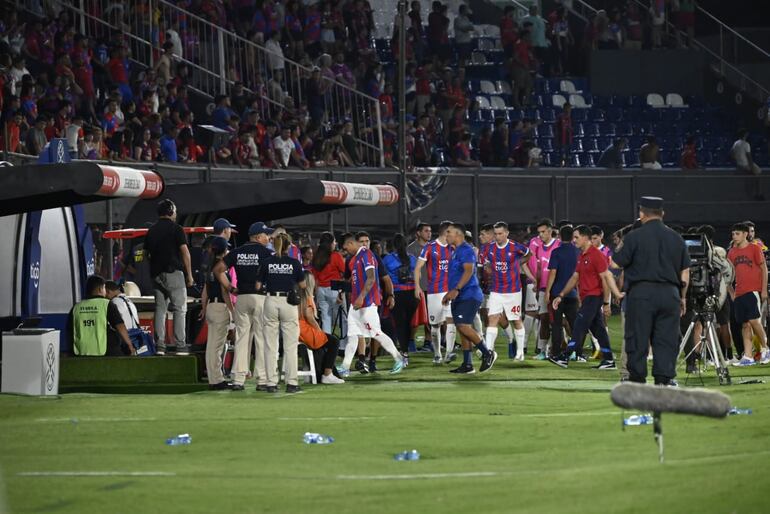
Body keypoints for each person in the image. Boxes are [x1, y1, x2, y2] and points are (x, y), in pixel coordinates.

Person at [612, 196, 691, 385]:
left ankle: (637, 379)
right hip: (670, 293)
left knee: (638, 338)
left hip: (641, 294)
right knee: (666, 339)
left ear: (641, 214)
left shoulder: (633, 236)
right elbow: (685, 273)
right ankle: (664, 380)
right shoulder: (676, 238)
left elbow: (615, 263)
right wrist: (682, 297)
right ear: (662, 214)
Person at [550, 225, 624, 369]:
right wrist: (561, 295)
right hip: (587, 297)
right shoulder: (582, 255)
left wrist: (606, 303)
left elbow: (606, 278)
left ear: (585, 237)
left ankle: (565, 356)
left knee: (579, 324)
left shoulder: (597, 255)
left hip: (594, 297)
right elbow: (575, 277)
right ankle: (609, 360)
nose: (574, 240)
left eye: (577, 237)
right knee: (598, 330)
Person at [216, 221, 275, 391]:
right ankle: (262, 380)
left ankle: (238, 379)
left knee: (241, 338)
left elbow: (218, 270)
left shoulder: (237, 252)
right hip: (261, 298)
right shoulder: (267, 253)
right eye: (266, 235)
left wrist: (230, 288)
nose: (268, 237)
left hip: (241, 298)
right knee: (261, 338)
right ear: (258, 236)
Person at [338, 232, 405, 375]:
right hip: (356, 304)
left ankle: (399, 358)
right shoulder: (352, 260)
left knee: (376, 333)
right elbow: (355, 280)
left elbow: (371, 278)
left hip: (367, 303)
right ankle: (345, 366)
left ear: (350, 244)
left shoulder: (366, 255)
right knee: (353, 335)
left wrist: (361, 297)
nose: (345, 251)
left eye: (345, 248)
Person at [442, 222, 498, 374]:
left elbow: (468, 271)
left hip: (469, 294)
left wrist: (456, 289)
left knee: (463, 326)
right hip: (460, 295)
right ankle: (467, 365)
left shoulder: (465, 250)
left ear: (458, 235)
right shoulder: (455, 251)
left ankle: (487, 353)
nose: (446, 235)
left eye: (449, 232)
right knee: (463, 329)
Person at [256, 233, 307, 393]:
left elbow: (258, 286)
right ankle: (292, 383)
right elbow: (304, 285)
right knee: (290, 345)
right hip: (288, 302)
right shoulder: (294, 263)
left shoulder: (266, 262)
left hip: (271, 300)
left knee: (271, 345)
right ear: (289, 246)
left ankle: (271, 383)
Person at [144, 199, 194, 355]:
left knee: (160, 309)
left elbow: (146, 254)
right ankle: (180, 345)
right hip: (173, 273)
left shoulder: (151, 230)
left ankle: (159, 346)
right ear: (171, 211)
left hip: (156, 274)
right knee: (180, 309)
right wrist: (190, 275)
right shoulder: (177, 229)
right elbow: (185, 252)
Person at [479, 222, 534, 361]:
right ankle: (489, 352)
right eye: (496, 234)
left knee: (516, 320)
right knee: (492, 319)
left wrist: (518, 263)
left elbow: (529, 254)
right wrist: (487, 267)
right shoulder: (488, 248)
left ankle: (520, 352)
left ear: (506, 233)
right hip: (496, 290)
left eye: (500, 233)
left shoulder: (515, 247)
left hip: (513, 291)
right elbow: (485, 263)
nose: (498, 237)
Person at [727, 222, 769, 366]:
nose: (734, 236)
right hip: (739, 292)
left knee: (754, 321)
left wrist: (763, 290)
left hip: (752, 291)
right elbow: (728, 275)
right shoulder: (731, 252)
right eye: (733, 234)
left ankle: (765, 348)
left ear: (745, 234)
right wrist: (731, 292)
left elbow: (764, 270)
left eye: (737, 233)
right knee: (745, 325)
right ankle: (748, 356)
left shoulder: (755, 249)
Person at [415, 220, 456, 364]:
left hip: (449, 291)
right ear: (446, 232)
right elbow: (418, 267)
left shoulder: (453, 248)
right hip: (434, 292)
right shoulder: (429, 247)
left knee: (451, 322)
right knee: (435, 325)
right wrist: (417, 287)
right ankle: (437, 354)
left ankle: (450, 353)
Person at [72, 275, 136, 356]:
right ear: (100, 289)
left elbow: (70, 331)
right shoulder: (107, 304)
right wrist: (130, 345)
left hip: (81, 351)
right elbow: (119, 325)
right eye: (104, 288)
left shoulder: (76, 307)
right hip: (105, 350)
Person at [298, 272, 345, 384]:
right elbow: (309, 316)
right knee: (334, 341)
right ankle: (327, 374)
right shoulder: (307, 296)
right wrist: (318, 329)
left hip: (297, 330)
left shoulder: (297, 295)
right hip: (305, 331)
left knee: (325, 343)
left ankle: (324, 372)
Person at [200, 237, 234, 390]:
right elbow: (225, 292)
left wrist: (204, 308)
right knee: (217, 346)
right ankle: (217, 380)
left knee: (211, 346)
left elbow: (204, 293)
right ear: (224, 251)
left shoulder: (209, 268)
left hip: (211, 307)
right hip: (220, 307)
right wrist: (232, 311)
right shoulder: (221, 270)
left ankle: (213, 379)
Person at [545, 225, 580, 360]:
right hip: (572, 293)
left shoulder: (556, 252)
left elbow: (553, 273)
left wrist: (548, 291)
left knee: (557, 324)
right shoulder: (578, 252)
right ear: (572, 237)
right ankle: (578, 352)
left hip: (557, 293)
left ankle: (556, 353)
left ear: (559, 236)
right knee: (575, 325)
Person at [383, 233, 419, 361]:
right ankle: (406, 350)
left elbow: (384, 277)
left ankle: (403, 351)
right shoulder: (412, 258)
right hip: (412, 294)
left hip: (397, 293)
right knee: (409, 323)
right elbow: (418, 276)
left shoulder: (388, 259)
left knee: (400, 324)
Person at [311, 231, 347, 336]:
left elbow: (315, 277)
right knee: (341, 319)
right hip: (334, 289)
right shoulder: (335, 256)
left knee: (326, 319)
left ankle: (327, 345)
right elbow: (344, 272)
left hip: (321, 290)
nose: (335, 244)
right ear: (331, 243)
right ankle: (343, 346)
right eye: (334, 242)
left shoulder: (316, 256)